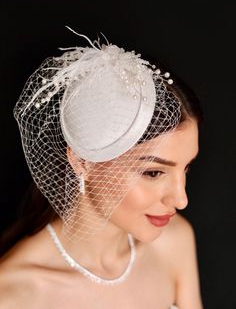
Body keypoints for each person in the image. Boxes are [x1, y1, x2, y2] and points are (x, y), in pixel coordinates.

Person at [0, 30, 204, 309]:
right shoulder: (14, 294)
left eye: (187, 168)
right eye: (154, 173)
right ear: (82, 161)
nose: (181, 200)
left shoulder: (174, 242)